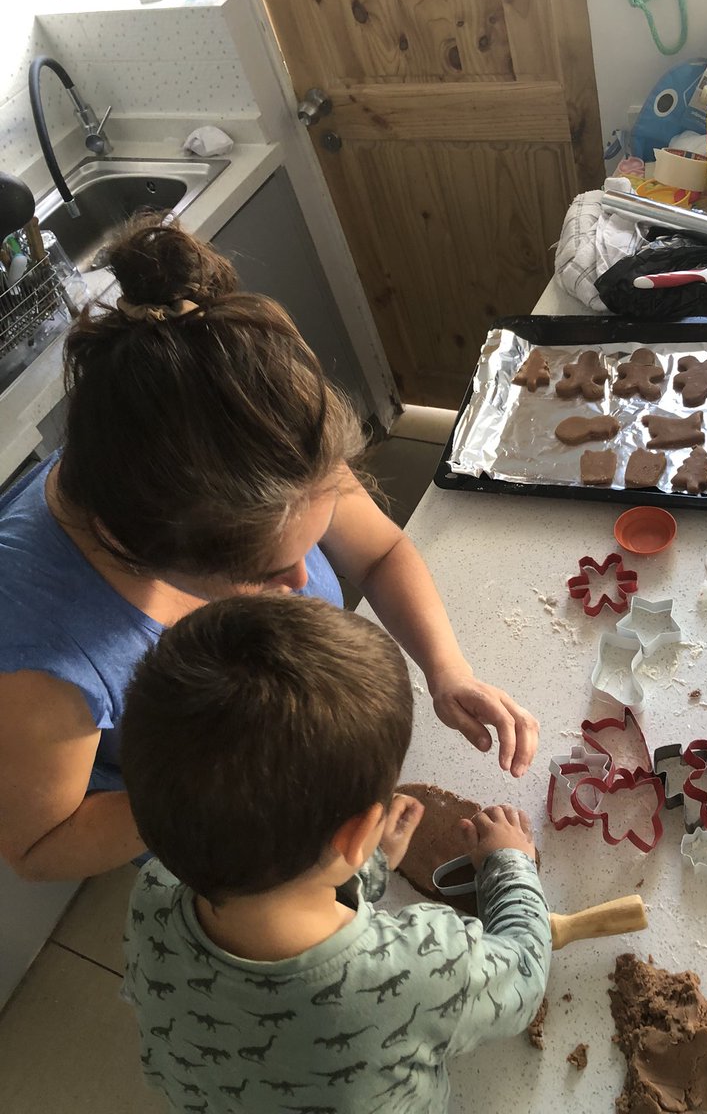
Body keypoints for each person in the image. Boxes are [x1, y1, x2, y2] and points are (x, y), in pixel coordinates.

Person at [0, 216, 538, 882]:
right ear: (147, 552)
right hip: (216, 823)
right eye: (265, 573)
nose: (303, 580)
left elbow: (377, 555)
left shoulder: (258, 444)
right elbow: (39, 846)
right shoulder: (41, 658)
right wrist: (223, 785)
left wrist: (445, 667)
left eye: (308, 550)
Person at [120, 593, 550, 1114]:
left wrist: (364, 865)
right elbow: (523, 977)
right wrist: (510, 865)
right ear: (356, 831)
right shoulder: (420, 966)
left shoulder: (154, 891)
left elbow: (274, 890)